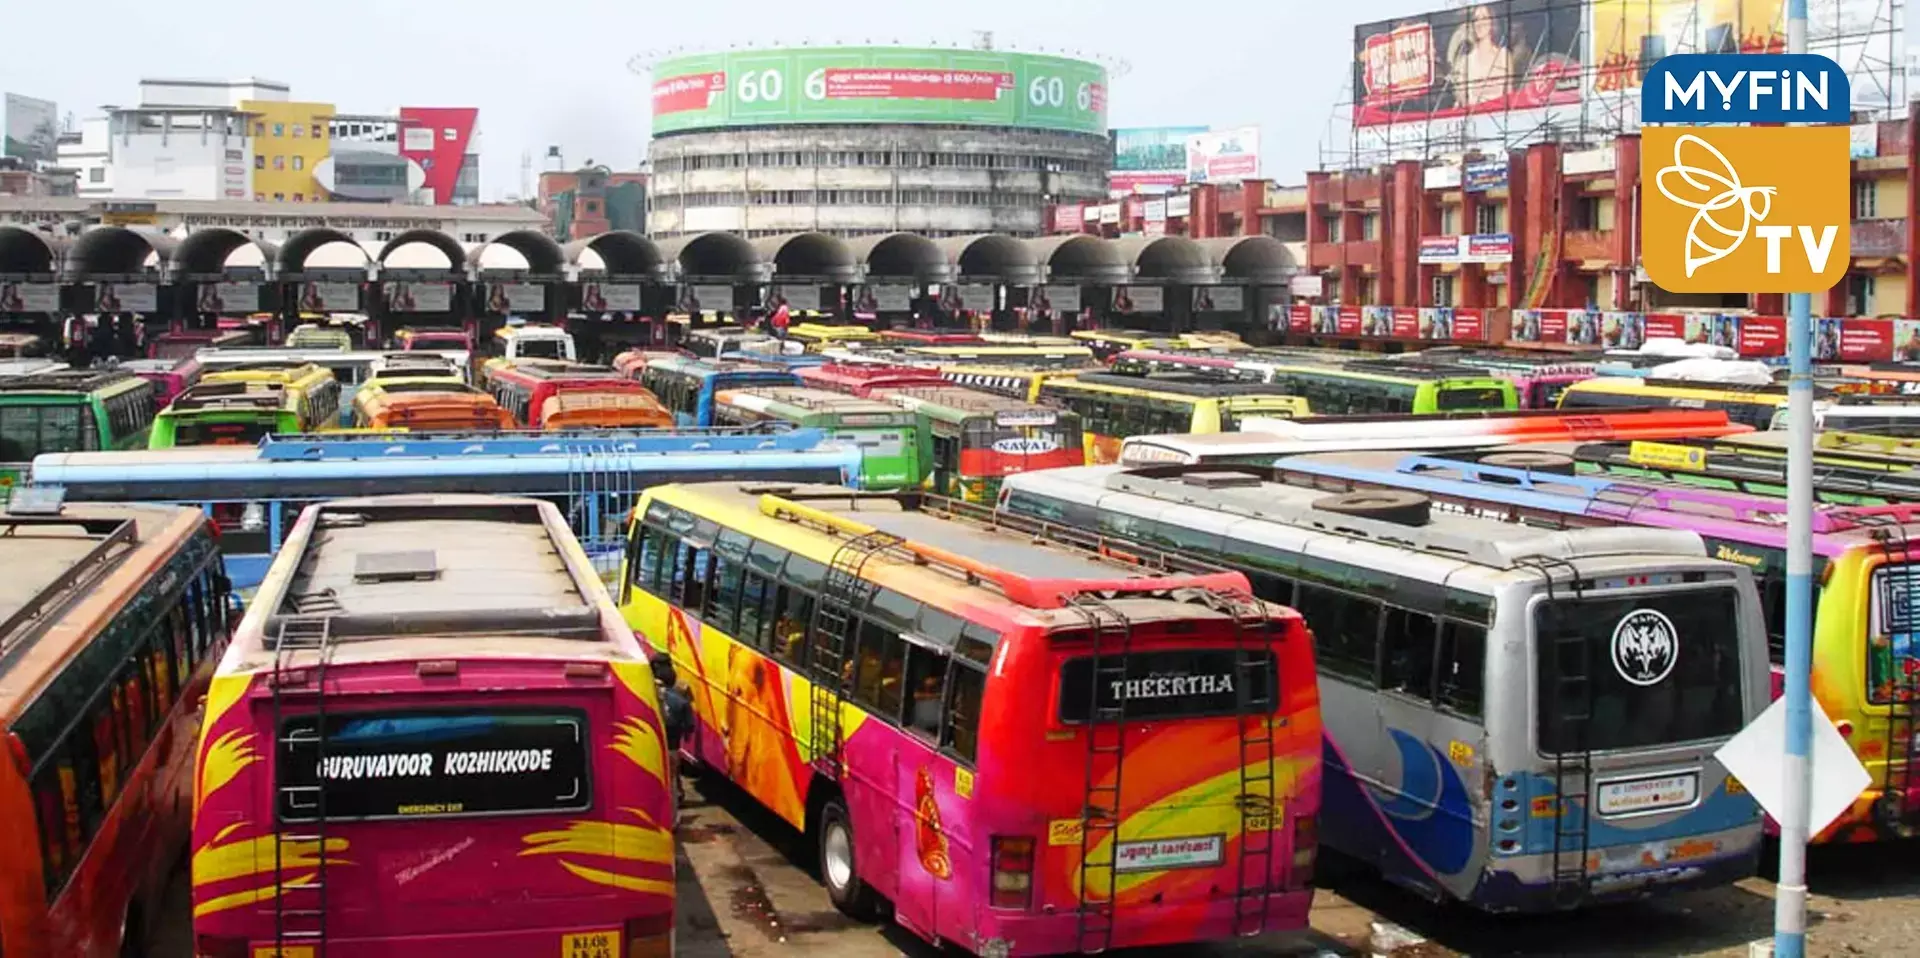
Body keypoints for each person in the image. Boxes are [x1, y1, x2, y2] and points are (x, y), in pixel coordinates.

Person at [651, 652, 694, 806]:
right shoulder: (681, 699)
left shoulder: (650, 694)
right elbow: (689, 725)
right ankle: (675, 799)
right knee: (673, 774)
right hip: (672, 745)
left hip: (654, 742)